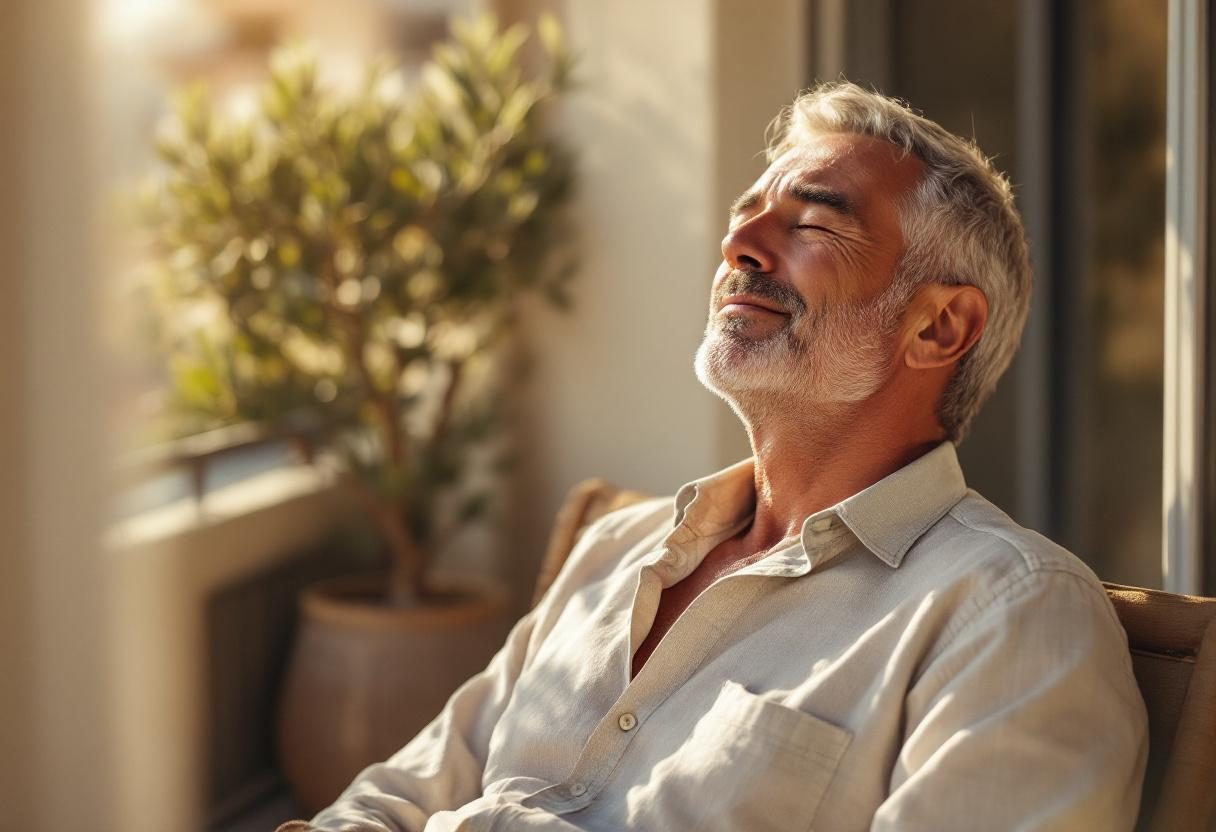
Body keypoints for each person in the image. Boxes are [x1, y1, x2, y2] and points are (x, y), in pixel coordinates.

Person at [279, 82, 1148, 832]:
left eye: (811, 221)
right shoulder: (617, 549)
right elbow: (400, 794)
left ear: (937, 327)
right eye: (744, 218)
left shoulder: (1008, 617)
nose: (740, 248)